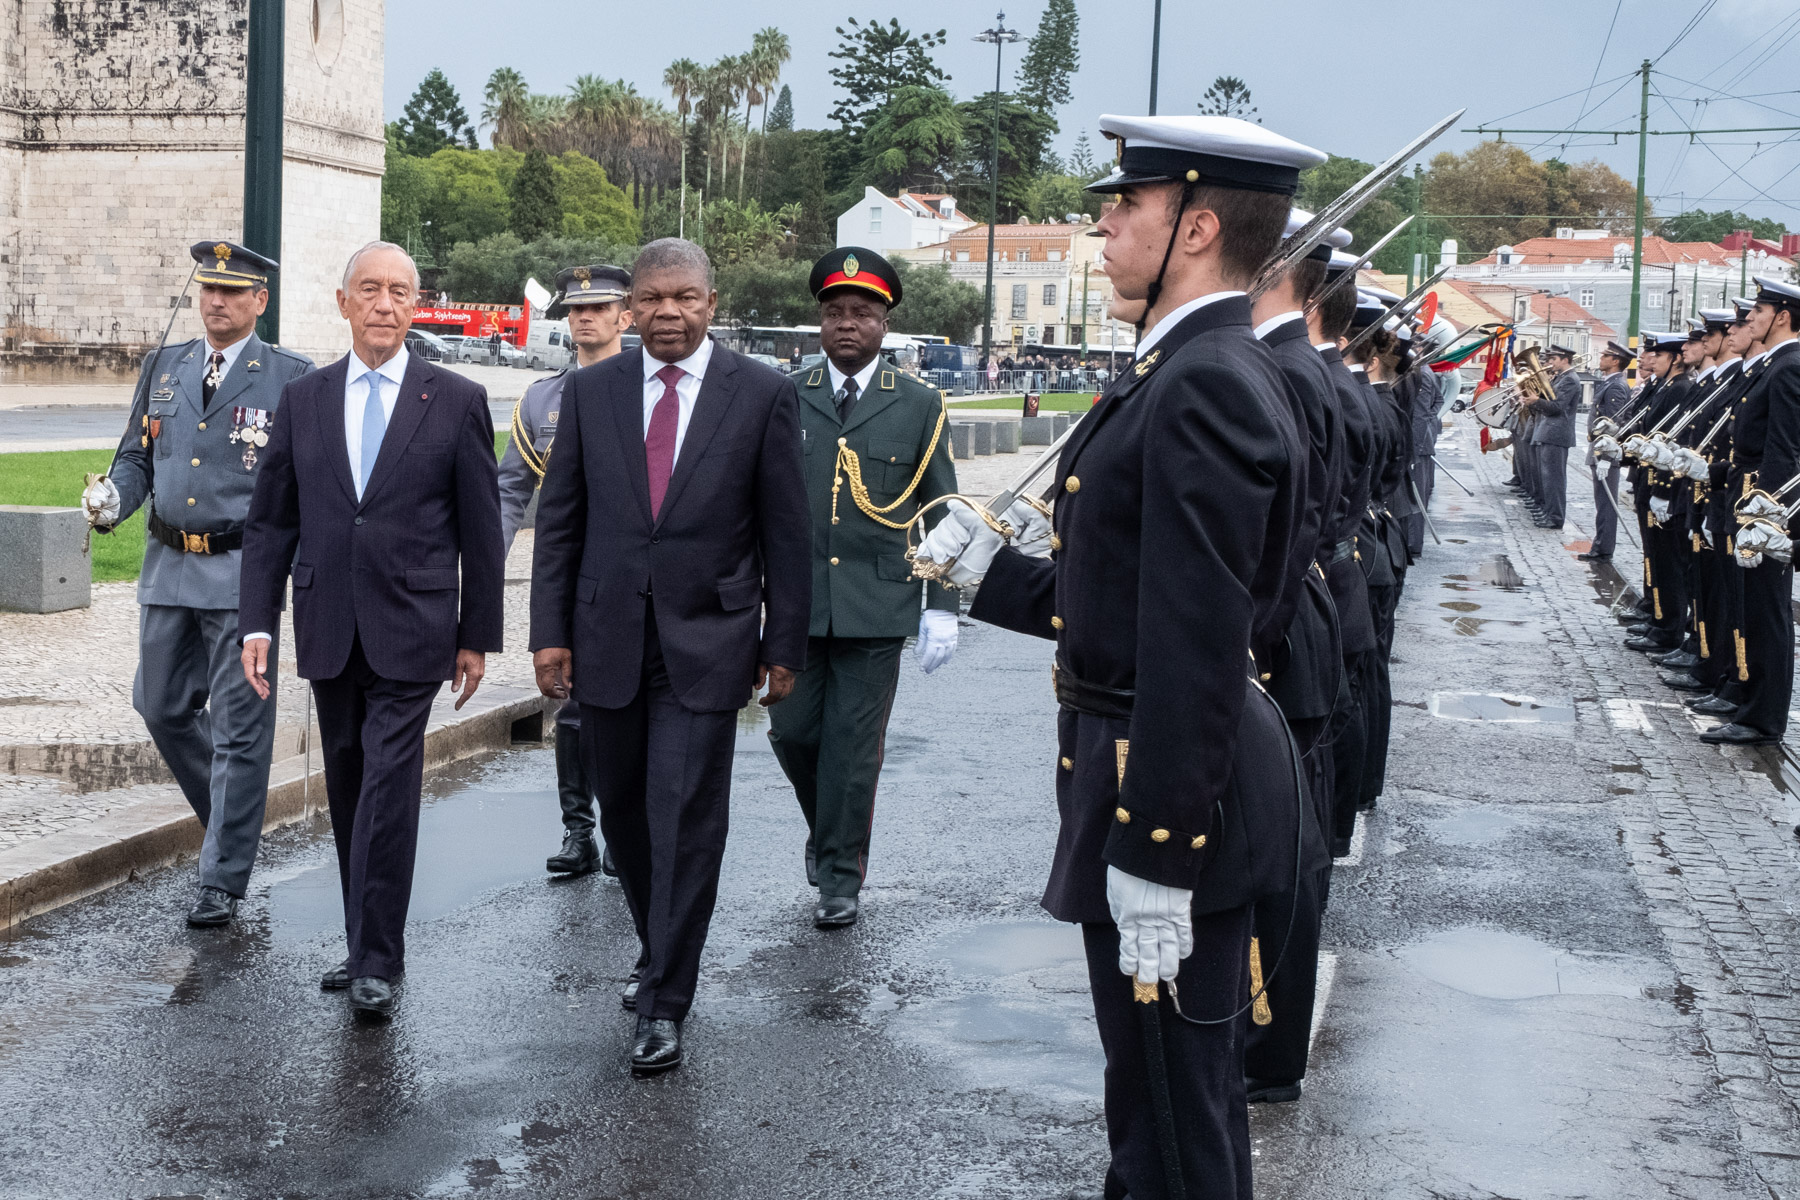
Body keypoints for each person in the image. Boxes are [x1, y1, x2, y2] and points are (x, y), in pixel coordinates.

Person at [917, 112, 1321, 1200]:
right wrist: (986, 577)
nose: (1104, 227)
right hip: (1141, 769)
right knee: (1164, 1107)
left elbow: (1204, 639)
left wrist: (1161, 851)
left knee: (1171, 1133)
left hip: (1163, 790)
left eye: (1125, 207)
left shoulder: (1204, 381)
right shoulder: (1187, 368)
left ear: (1194, 227)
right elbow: (1135, 604)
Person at [528, 238, 810, 1076]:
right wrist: (550, 633)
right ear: (629, 309)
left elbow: (786, 534)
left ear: (711, 303)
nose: (666, 314)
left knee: (684, 817)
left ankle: (664, 1000)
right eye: (650, 300)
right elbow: (561, 525)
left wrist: (782, 642)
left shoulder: (761, 394)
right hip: (607, 639)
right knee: (624, 816)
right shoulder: (589, 393)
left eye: (683, 298)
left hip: (710, 642)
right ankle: (660, 948)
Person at [237, 241, 505, 1019]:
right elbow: (271, 522)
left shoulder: (453, 399)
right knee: (351, 784)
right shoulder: (306, 399)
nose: (384, 304)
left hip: (415, 628)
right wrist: (258, 621)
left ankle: (378, 961)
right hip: (327, 624)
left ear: (416, 306)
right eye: (369, 290)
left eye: (399, 292)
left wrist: (475, 635)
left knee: (389, 783)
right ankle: (364, 943)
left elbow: (482, 533)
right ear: (342, 301)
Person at [80, 240, 313, 929]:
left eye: (233, 291)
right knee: (160, 705)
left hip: (245, 575)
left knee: (242, 729)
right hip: (167, 568)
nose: (217, 301)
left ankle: (223, 877)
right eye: (209, 288)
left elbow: (306, 486)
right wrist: (115, 500)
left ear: (258, 302)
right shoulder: (165, 365)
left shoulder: (289, 379)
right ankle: (233, 827)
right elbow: (135, 456)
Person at [768, 248, 962, 929]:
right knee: (792, 735)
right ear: (819, 320)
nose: (847, 324)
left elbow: (942, 514)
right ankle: (828, 832)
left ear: (886, 324)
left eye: (863, 313)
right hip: (793, 605)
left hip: (878, 605)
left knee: (852, 749)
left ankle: (841, 876)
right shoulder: (784, 395)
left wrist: (943, 606)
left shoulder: (918, 405)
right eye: (834, 312)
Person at [1244, 211, 1346, 1105]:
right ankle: (1266, 1039)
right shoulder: (1298, 365)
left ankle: (1267, 1042)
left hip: (1279, 641)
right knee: (1286, 849)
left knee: (1279, 859)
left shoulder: (1284, 369)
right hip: (1301, 627)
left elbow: (1288, 529)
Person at [498, 263, 634, 879]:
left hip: (630, 571)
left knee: (628, 706)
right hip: (567, 573)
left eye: (599, 308)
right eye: (575, 309)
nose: (584, 318)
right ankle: (579, 831)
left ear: (625, 317)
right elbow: (511, 491)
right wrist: (485, 569)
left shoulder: (645, 389)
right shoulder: (541, 399)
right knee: (569, 704)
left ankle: (626, 826)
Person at [1702, 276, 1800, 746]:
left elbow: (1785, 452)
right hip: (1746, 496)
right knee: (1753, 609)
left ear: (1781, 316)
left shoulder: (1789, 367)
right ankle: (1749, 701)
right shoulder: (1775, 366)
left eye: (1758, 311)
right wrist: (1716, 474)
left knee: (1768, 614)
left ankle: (1763, 717)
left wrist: (1769, 519)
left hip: (1762, 506)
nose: (1751, 319)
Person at [1579, 341, 1632, 562]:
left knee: (1606, 504)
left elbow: (1614, 424)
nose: (1600, 358)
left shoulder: (1617, 386)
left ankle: (1603, 549)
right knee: (1602, 502)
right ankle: (1600, 545)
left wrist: (1607, 458)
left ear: (1615, 361)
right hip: (1599, 450)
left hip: (1605, 454)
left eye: (1605, 355)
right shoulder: (1609, 383)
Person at [1528, 345, 1580, 531]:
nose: (1550, 362)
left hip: (1556, 433)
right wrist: (1532, 401)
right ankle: (1549, 512)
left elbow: (1557, 407)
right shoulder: (1561, 378)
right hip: (1548, 432)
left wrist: (1537, 401)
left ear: (1565, 359)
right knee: (1547, 478)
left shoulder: (1570, 380)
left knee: (1554, 479)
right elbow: (1547, 404)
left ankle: (1555, 517)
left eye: (1553, 359)